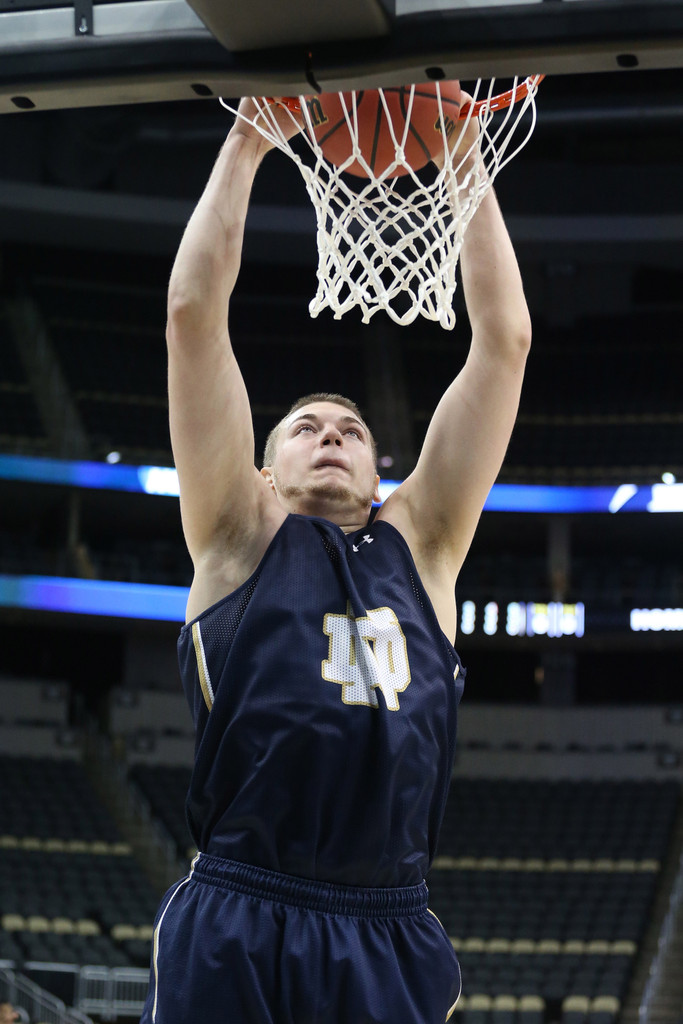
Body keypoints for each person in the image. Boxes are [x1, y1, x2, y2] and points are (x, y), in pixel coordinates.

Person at [140, 92, 531, 1024]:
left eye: (351, 429)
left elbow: (503, 342)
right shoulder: (239, 538)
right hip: (241, 906)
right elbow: (194, 312)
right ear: (264, 470)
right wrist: (250, 136)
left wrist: (466, 151)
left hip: (387, 925)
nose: (331, 435)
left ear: (378, 470)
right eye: (305, 427)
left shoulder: (423, 546)